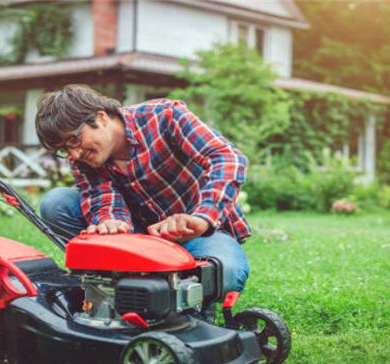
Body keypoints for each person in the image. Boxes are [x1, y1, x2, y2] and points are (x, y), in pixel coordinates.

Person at [36, 84, 251, 297]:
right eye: (65, 149)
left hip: (200, 234)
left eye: (74, 139)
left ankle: (176, 286)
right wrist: (111, 223)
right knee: (56, 203)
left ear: (100, 117)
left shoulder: (165, 116)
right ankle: (110, 277)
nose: (74, 154)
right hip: (139, 237)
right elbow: (102, 197)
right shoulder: (85, 157)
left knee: (229, 272)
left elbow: (226, 158)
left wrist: (202, 217)